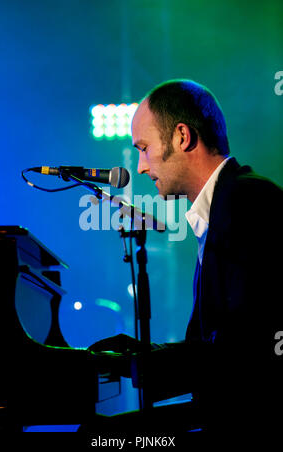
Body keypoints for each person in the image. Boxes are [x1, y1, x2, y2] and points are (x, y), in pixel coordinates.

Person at [85, 80, 283, 434]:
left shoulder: (249, 201)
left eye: (144, 148)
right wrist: (145, 354)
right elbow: (214, 344)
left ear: (181, 136)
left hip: (249, 415)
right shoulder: (224, 204)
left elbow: (246, 348)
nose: (142, 167)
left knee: (100, 436)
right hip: (226, 407)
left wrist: (145, 363)